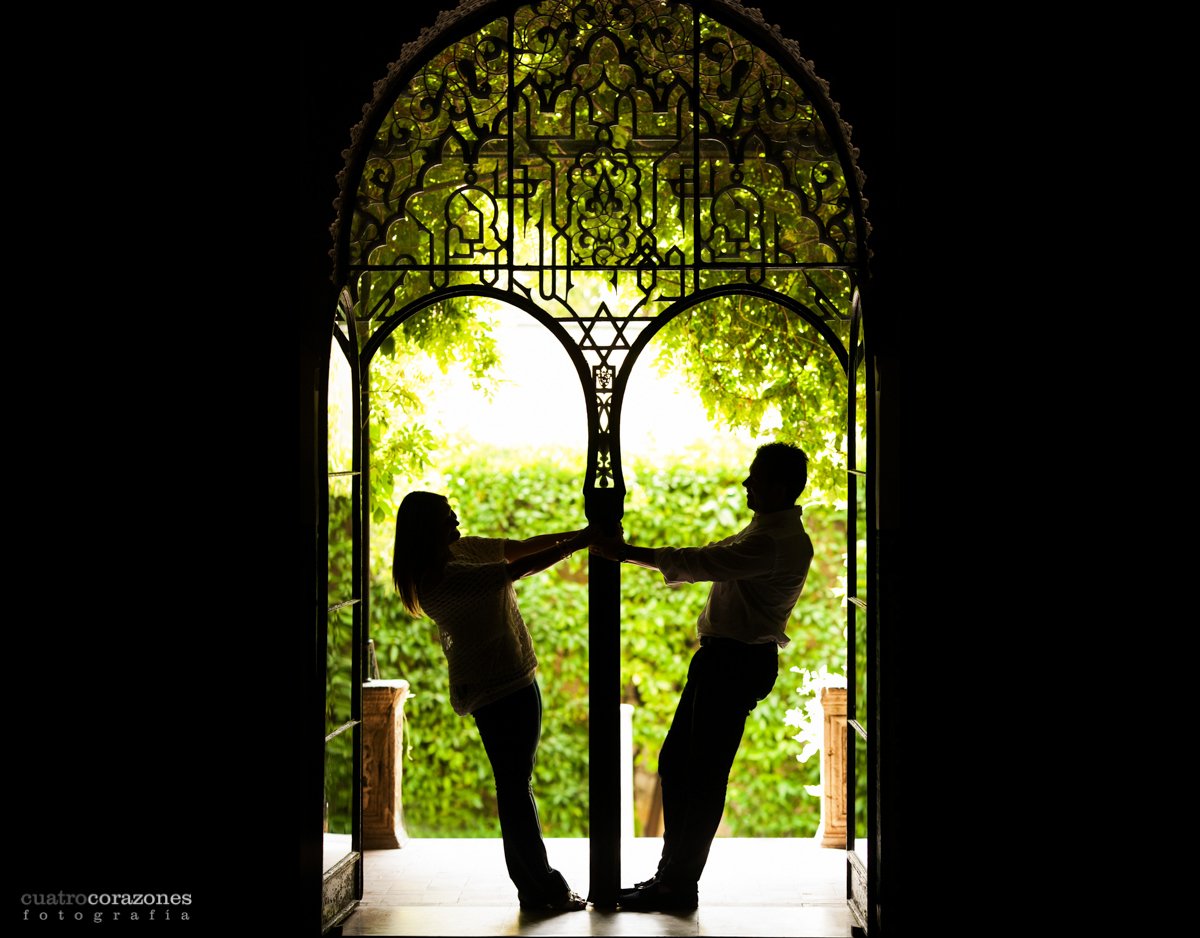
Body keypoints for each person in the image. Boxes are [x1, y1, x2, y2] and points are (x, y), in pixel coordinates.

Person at [591, 442, 815, 912]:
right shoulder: (769, 529)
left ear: (776, 485)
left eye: (754, 476)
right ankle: (671, 879)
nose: (746, 483)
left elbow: (702, 563)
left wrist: (624, 554)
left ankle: (676, 885)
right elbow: (711, 555)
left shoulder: (773, 541)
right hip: (727, 659)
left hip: (735, 661)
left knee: (702, 775)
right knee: (679, 765)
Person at [392, 490, 594, 913]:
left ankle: (538, 888)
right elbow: (515, 569)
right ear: (428, 528)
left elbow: (516, 549)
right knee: (515, 788)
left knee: (516, 786)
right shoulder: (437, 581)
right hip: (495, 691)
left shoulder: (459, 551)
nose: (456, 520)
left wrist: (580, 533)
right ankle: (540, 889)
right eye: (447, 516)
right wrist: (579, 543)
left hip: (516, 679)